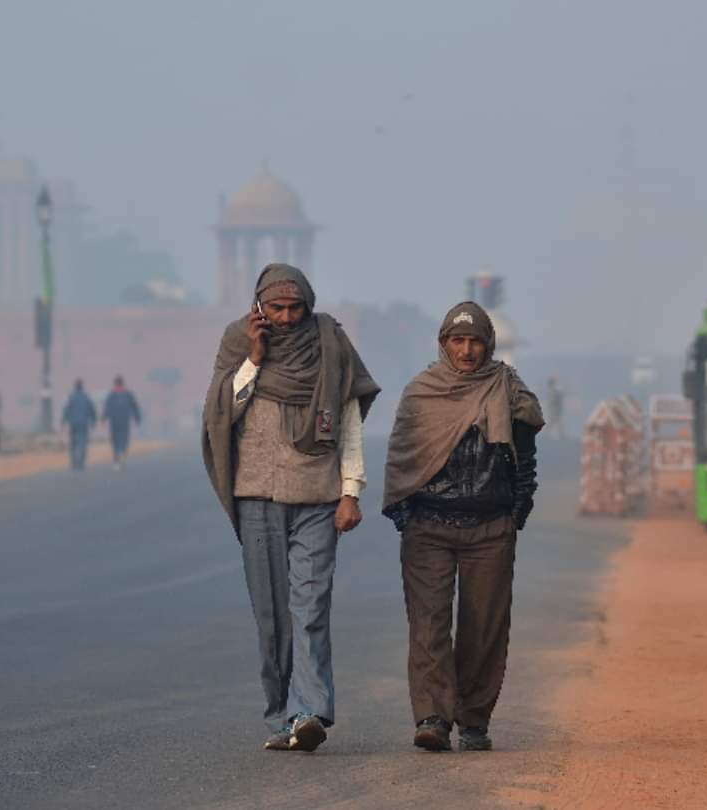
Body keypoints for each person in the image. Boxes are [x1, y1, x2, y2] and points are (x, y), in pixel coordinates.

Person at [201, 263, 380, 753]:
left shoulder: (331, 343)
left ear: (309, 305)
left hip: (318, 494)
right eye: (275, 308)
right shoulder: (239, 342)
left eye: (294, 307)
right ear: (259, 306)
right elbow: (221, 409)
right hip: (257, 494)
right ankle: (280, 716)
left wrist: (351, 491)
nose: (285, 317)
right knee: (271, 613)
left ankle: (310, 710)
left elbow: (348, 420)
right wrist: (255, 359)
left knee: (310, 606)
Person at [383, 301, 544, 752]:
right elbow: (401, 456)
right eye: (459, 340)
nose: (468, 350)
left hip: (490, 528)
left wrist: (517, 512)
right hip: (428, 525)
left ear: (489, 345)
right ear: (443, 343)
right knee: (429, 625)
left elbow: (525, 459)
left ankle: (473, 720)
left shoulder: (509, 390)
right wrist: (405, 514)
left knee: (484, 628)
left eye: (476, 341)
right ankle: (432, 718)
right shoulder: (421, 392)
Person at [102, 375, 141, 470]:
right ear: (122, 383)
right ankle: (123, 453)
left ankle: (116, 460)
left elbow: (107, 407)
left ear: (115, 383)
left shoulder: (112, 394)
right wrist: (137, 418)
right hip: (124, 420)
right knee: (124, 439)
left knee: (115, 441)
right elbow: (134, 407)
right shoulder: (128, 394)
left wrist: (104, 418)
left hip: (114, 421)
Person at [61, 379, 97, 470]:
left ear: (75, 387)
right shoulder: (86, 398)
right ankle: (80, 463)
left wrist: (63, 421)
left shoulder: (71, 397)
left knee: (73, 444)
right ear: (82, 387)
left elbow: (66, 410)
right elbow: (92, 411)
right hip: (83, 424)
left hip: (73, 424)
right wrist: (93, 421)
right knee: (83, 443)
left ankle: (73, 463)